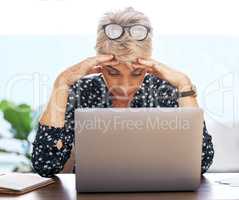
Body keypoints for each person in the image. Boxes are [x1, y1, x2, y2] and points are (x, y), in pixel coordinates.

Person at [31, 7, 214, 177]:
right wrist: (61, 83)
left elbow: (201, 163)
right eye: (113, 72)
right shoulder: (82, 92)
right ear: (99, 65)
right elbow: (46, 165)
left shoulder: (164, 91)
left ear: (148, 66)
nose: (125, 86)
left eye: (137, 72)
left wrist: (184, 84)